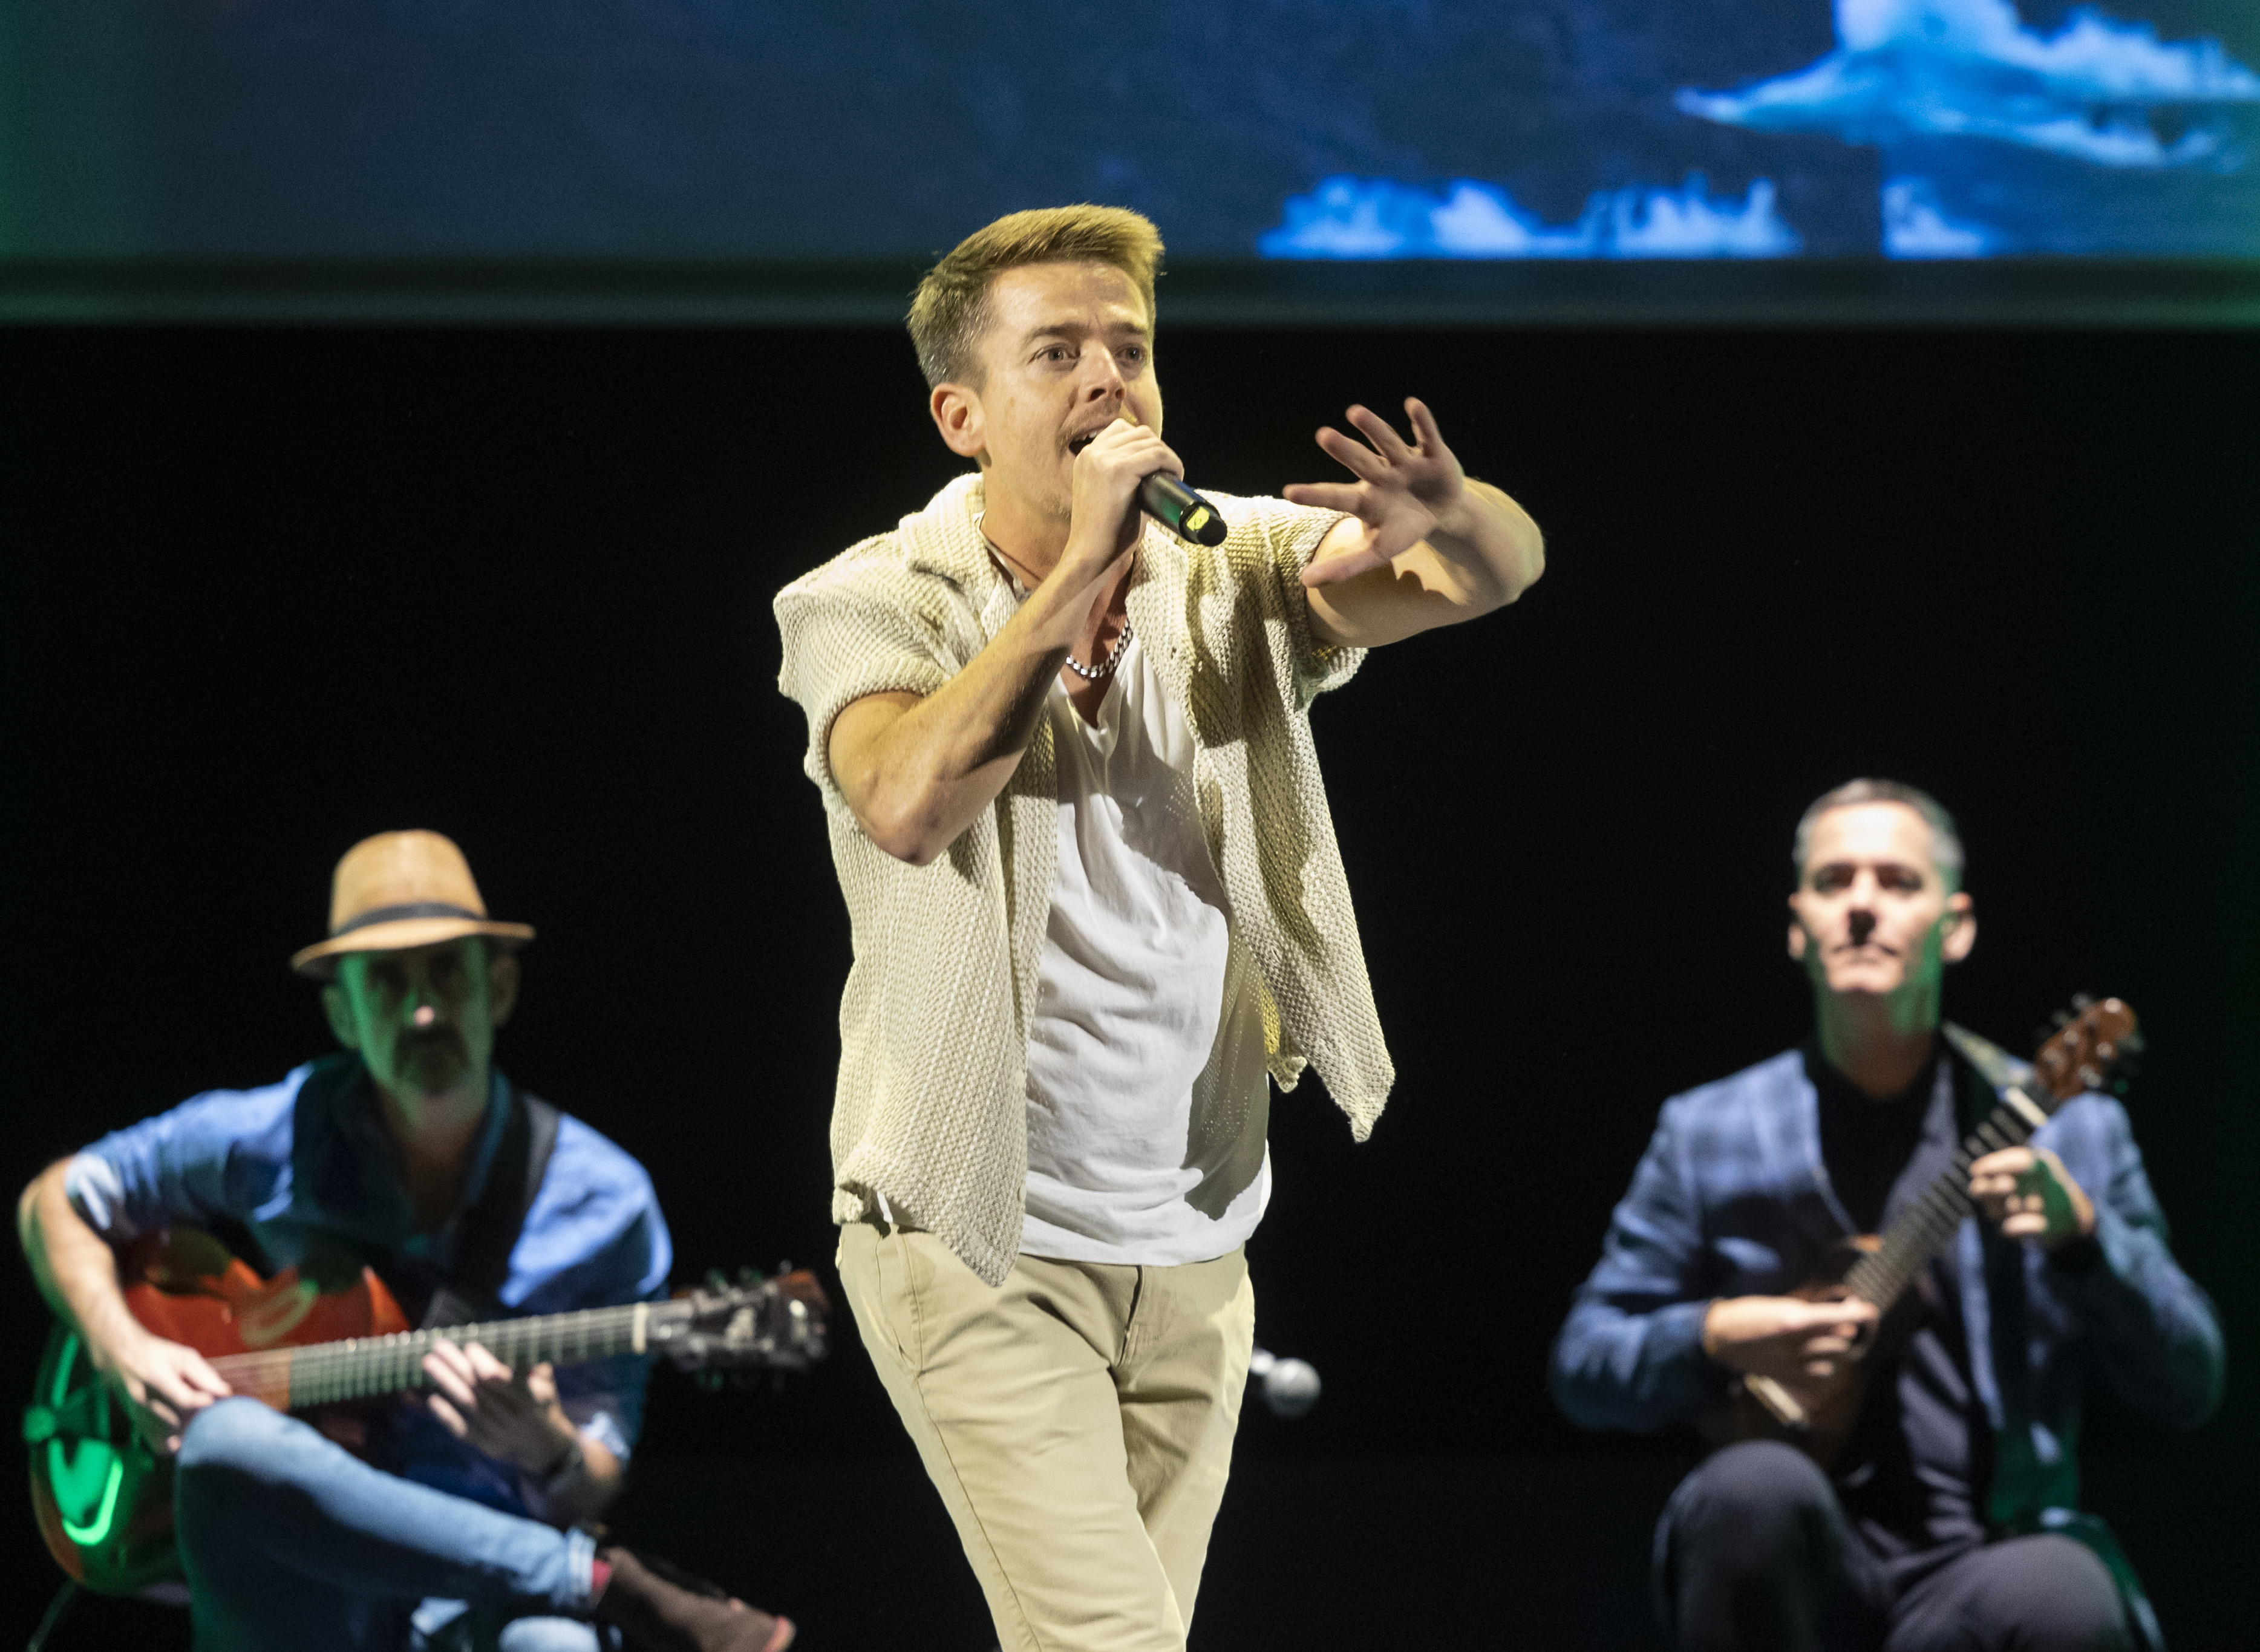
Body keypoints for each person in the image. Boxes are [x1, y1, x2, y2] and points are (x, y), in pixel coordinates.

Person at [772, 204, 1544, 1651]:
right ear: (961, 414)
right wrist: (1077, 567)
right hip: (978, 1242)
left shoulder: (1229, 562)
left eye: (1128, 348)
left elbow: (1490, 575)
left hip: (1196, 1243)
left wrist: (1460, 514)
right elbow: (908, 804)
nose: (1106, 380)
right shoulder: (869, 600)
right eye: (1056, 352)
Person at [16, 830, 794, 1652]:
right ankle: (592, 1580)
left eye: (447, 972)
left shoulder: (607, 1203)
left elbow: (593, 1477)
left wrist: (550, 1450)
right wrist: (122, 1349)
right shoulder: (280, 1132)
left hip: (480, 1580)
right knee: (224, 1442)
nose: (423, 1010)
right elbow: (54, 1200)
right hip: (304, 1581)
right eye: (386, 981)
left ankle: (567, 1583)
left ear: (499, 990)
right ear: (342, 1014)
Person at [1549, 781, 2224, 1652]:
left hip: (1988, 1557)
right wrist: (1714, 1336)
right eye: (1834, 881)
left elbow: (2190, 1383)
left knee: (2063, 1592)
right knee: (1748, 1491)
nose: (1862, 905)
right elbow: (1584, 1364)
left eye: (1899, 882)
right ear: (1798, 927)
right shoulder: (1707, 1130)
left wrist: (2086, 1242)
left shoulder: (2072, 1130)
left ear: (1957, 926)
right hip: (1807, 1561)